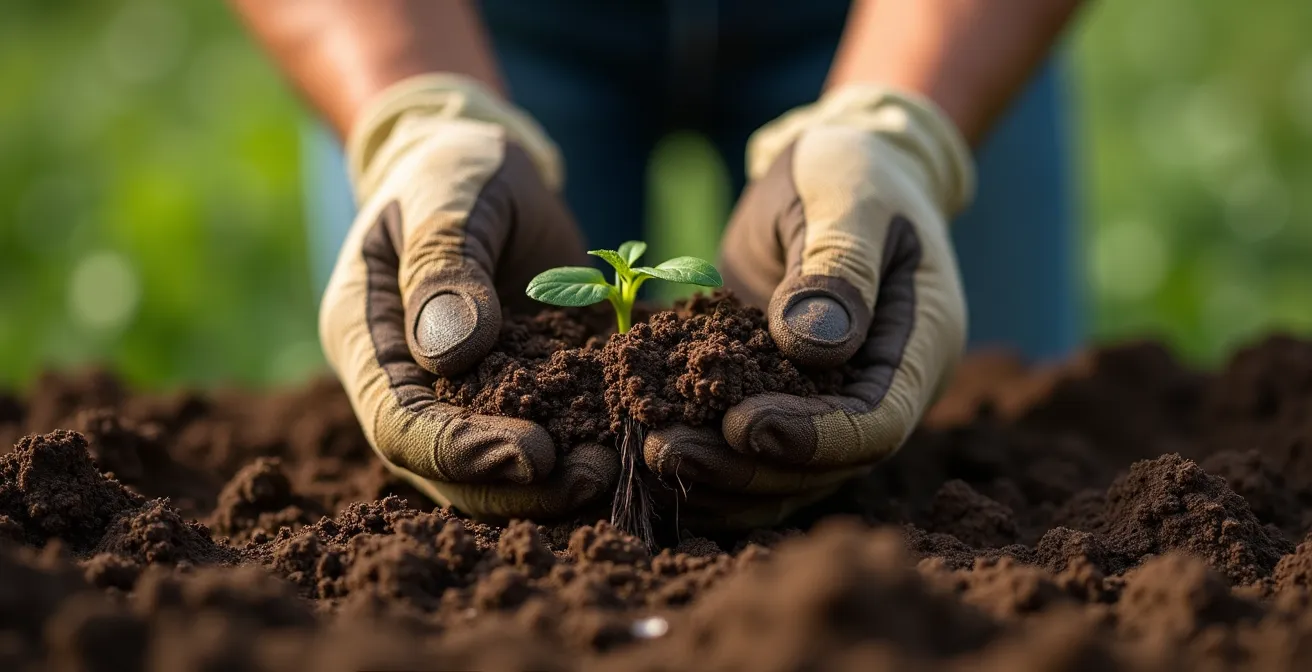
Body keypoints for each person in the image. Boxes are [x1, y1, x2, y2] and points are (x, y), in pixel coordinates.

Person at [230, 0, 1085, 527]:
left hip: (908, 23)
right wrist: (417, 122)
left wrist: (901, 138)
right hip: (465, 25)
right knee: (457, 428)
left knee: (972, 422)